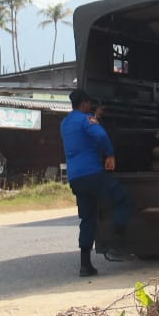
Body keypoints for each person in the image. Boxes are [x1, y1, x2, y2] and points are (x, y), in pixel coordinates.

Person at [61, 88, 133, 277]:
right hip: (93, 173)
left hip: (75, 178)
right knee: (122, 199)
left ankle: (85, 265)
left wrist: (95, 116)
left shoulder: (65, 122)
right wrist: (109, 154)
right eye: (89, 103)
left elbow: (82, 134)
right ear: (84, 103)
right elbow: (100, 135)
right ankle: (117, 245)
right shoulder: (86, 120)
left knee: (88, 218)